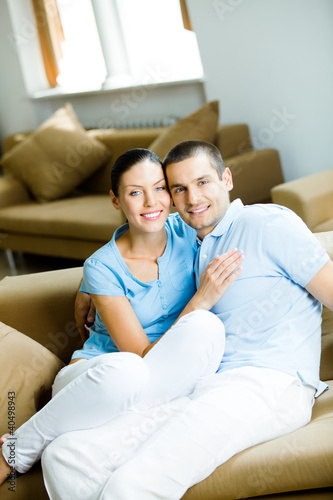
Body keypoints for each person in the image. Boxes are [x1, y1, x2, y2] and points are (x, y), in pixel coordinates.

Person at [41, 140, 333, 500]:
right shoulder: (192, 240)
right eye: (179, 188)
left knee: (130, 486)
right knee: (65, 458)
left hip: (266, 384)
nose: (193, 198)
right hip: (200, 385)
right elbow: (134, 242)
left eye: (203, 182)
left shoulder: (266, 223)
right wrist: (88, 283)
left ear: (226, 178)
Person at [0, 148, 243, 486]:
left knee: (206, 329)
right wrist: (199, 301)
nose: (150, 202)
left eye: (159, 188)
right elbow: (143, 357)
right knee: (129, 370)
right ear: (116, 200)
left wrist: (86, 287)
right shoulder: (103, 266)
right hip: (99, 377)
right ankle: (15, 450)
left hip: (154, 389)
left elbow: (232, 217)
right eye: (134, 193)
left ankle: (98, 439)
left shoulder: (188, 231)